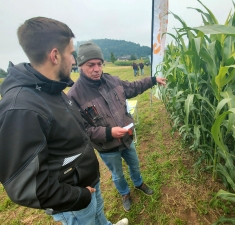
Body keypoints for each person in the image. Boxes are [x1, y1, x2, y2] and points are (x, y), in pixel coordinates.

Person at [0, 17, 128, 225]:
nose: (73, 61)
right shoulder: (21, 109)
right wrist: (79, 196)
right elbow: (26, 186)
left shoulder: (51, 90)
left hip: (88, 181)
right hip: (74, 199)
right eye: (71, 54)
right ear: (55, 55)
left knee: (99, 214)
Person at [67, 41, 167, 212]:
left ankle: (138, 183)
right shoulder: (75, 95)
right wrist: (108, 133)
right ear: (80, 65)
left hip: (127, 139)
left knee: (134, 164)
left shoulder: (112, 80)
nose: (97, 69)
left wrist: (152, 80)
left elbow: (133, 87)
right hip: (107, 147)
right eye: (91, 65)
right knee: (117, 174)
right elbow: (82, 130)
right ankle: (124, 193)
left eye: (99, 64)